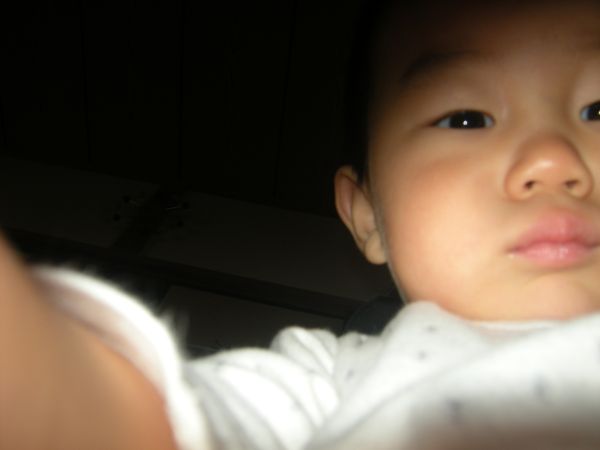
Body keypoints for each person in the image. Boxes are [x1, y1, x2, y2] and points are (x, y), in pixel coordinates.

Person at [3, 0, 600, 448]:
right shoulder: (327, 380)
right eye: (466, 118)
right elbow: (146, 425)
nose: (552, 160)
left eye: (598, 109)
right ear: (366, 215)